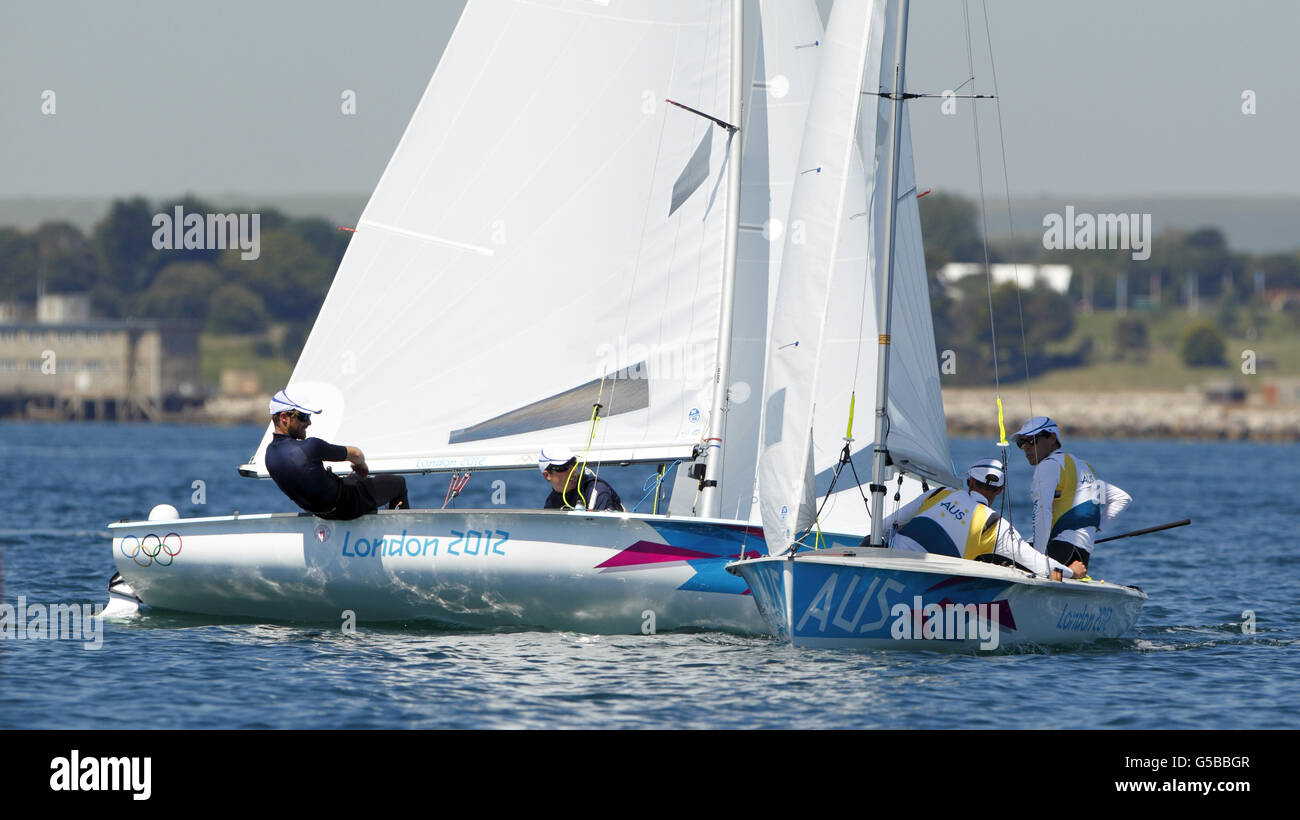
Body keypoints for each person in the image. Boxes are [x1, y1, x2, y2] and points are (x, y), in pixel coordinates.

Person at [868, 458, 1085, 580]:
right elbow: (1040, 564)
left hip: (884, 564)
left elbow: (884, 527)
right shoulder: (995, 525)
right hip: (920, 581)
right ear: (999, 491)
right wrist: (1071, 572)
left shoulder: (939, 493)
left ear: (970, 481)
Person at [264, 389, 409, 520]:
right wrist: (361, 465)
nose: (309, 422)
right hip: (348, 507)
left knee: (355, 479)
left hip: (321, 513)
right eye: (303, 416)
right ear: (284, 418)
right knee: (399, 483)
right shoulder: (311, 446)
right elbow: (356, 454)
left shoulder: (269, 456)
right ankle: (403, 535)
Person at [1012, 416, 1131, 571]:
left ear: (1052, 438)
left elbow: (1042, 512)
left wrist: (1038, 560)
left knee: (995, 556)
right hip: (1082, 555)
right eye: (1021, 443)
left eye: (1032, 441)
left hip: (1059, 550)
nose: (1026, 447)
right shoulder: (1084, 467)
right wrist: (1093, 528)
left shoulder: (1048, 466)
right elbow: (1121, 498)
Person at [538, 445, 623, 512]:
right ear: (547, 475)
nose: (573, 471)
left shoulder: (596, 490)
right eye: (563, 467)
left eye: (573, 463)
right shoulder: (551, 502)